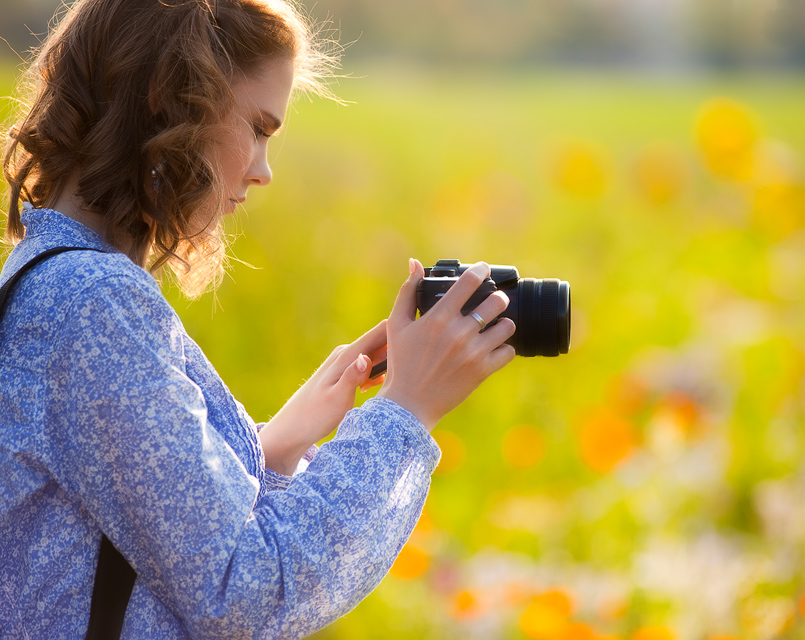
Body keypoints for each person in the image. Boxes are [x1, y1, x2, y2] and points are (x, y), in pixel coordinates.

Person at [0, 0, 516, 638]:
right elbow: (244, 594)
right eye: (259, 126)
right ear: (171, 96)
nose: (264, 169)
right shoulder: (90, 301)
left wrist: (270, 448)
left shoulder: (51, 278)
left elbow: (148, 545)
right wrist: (405, 413)